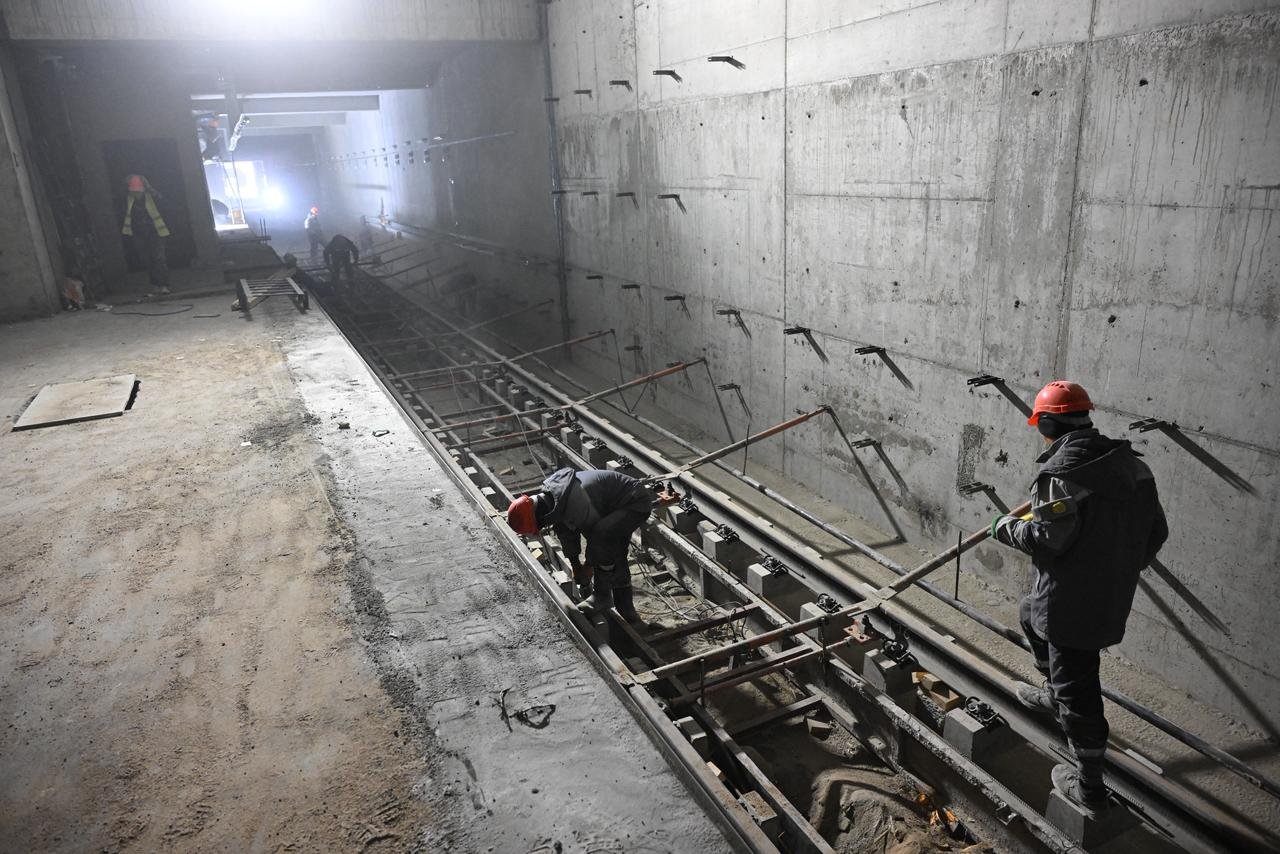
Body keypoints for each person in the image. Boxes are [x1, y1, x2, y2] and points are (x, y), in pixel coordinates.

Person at [989, 380, 1167, 814]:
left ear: (1047, 424)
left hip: (1070, 603)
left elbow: (1047, 539)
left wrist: (1005, 528)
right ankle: (1054, 695)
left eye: (1040, 424)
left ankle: (1089, 787)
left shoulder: (1060, 475)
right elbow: (1157, 531)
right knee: (1029, 615)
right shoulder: (1131, 465)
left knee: (1080, 692)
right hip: (1104, 593)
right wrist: (1116, 569)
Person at [506, 467, 655, 623]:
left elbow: (597, 540)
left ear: (539, 516)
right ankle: (626, 610)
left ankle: (603, 597)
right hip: (611, 505)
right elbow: (565, 531)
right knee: (614, 550)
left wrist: (588, 565)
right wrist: (576, 565)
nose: (542, 527)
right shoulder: (554, 500)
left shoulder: (577, 501)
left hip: (634, 502)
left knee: (605, 540)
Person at [120, 174, 170, 294]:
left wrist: (149, 187)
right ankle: (155, 284)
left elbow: (163, 203)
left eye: (138, 191)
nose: (136, 194)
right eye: (134, 191)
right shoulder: (127, 200)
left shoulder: (153, 197)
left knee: (159, 258)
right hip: (139, 234)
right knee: (147, 260)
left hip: (156, 232)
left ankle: (163, 285)